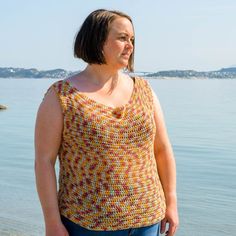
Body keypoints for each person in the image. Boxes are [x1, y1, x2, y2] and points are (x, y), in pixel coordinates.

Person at [34, 9, 179, 236]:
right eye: (122, 38)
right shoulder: (61, 96)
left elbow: (162, 149)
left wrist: (171, 201)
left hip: (149, 220)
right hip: (86, 223)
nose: (130, 46)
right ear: (97, 39)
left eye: (132, 39)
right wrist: (52, 222)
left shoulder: (144, 90)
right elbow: (44, 162)